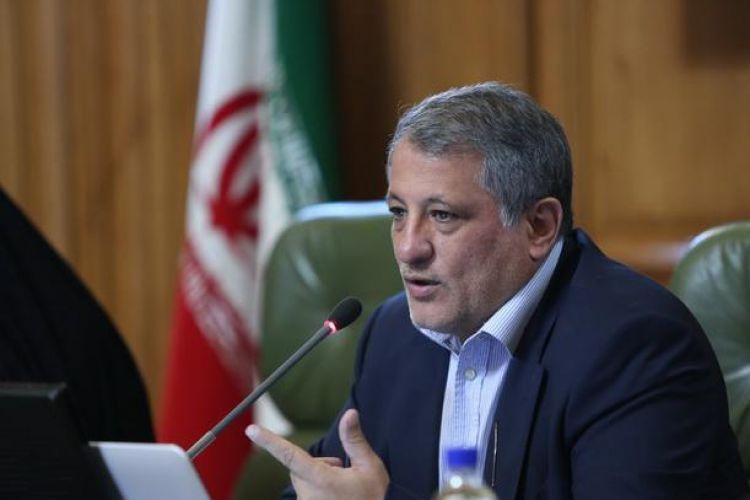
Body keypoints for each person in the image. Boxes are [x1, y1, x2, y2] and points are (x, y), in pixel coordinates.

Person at [246, 82, 748, 499]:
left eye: (442, 215)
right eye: (398, 213)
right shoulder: (393, 335)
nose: (408, 247)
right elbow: (328, 487)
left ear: (538, 226)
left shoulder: (636, 346)